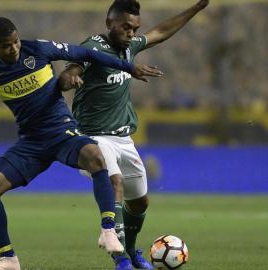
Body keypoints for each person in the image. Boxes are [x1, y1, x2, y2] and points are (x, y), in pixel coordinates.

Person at [0, 17, 160, 270]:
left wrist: (129, 68)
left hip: (62, 133)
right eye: (6, 45)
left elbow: (85, 53)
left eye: (15, 42)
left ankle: (108, 231)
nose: (13, 48)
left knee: (96, 157)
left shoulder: (37, 49)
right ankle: (8, 259)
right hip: (31, 143)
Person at [58, 0, 209, 269]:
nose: (131, 33)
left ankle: (130, 249)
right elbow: (72, 70)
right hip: (93, 139)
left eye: (134, 28)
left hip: (123, 139)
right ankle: (120, 259)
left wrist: (196, 8)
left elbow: (161, 32)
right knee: (115, 181)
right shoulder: (93, 47)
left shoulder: (129, 48)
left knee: (139, 201)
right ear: (109, 23)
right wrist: (70, 77)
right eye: (126, 27)